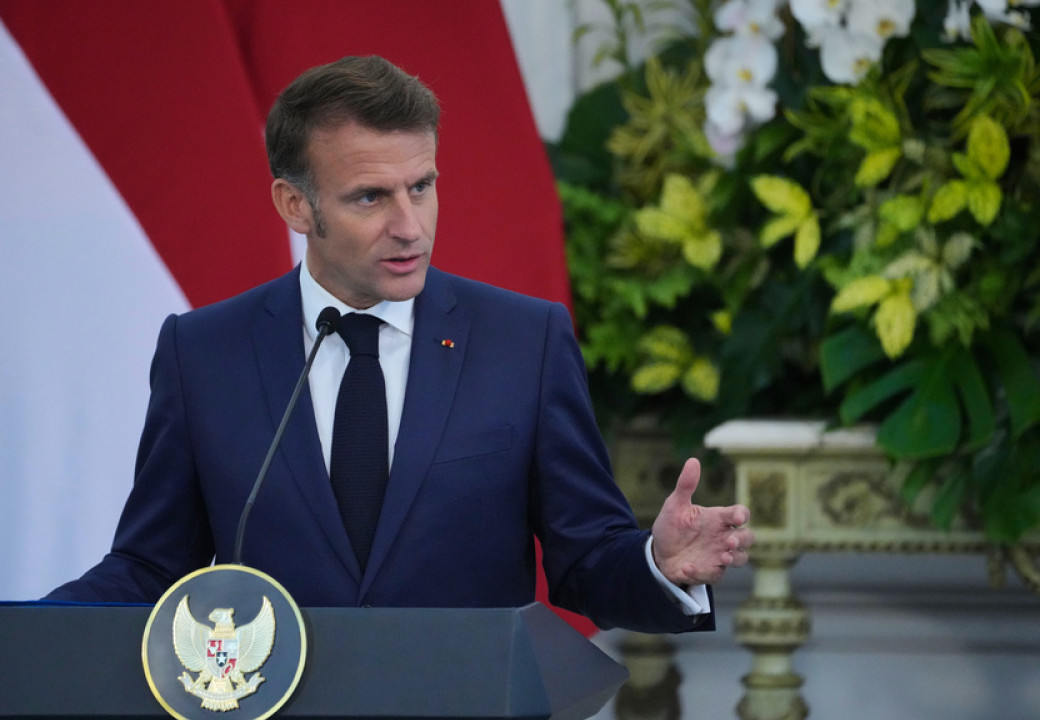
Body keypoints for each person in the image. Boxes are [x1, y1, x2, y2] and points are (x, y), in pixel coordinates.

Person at [46, 55, 752, 633]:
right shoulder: (203, 353)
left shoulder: (525, 342)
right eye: (370, 197)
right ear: (296, 206)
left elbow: (586, 560)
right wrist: (22, 629)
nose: (410, 226)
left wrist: (658, 563)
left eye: (421, 186)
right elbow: (151, 567)